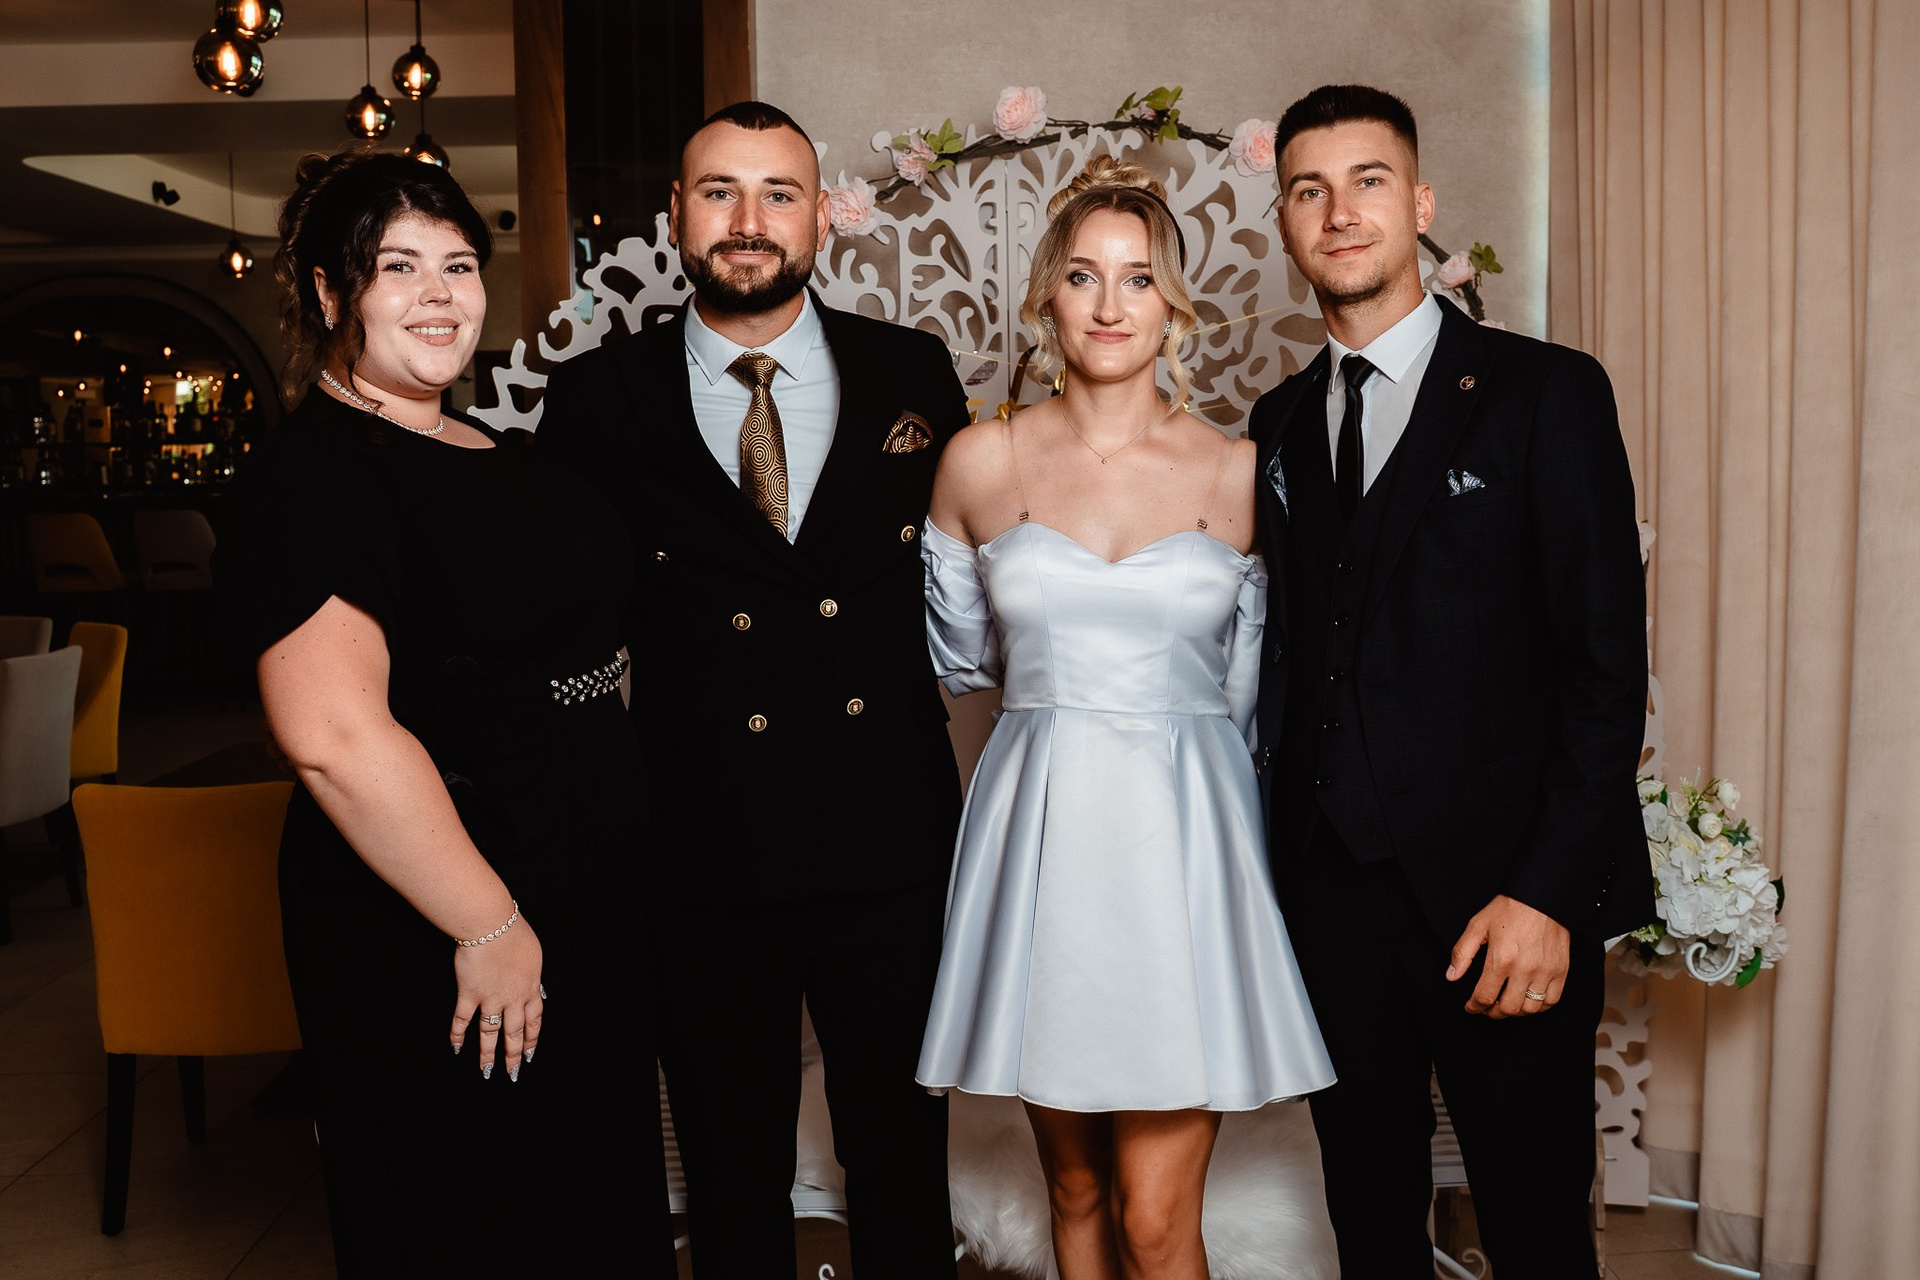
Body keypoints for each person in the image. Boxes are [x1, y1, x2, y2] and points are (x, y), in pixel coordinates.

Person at [221, 151, 673, 1277]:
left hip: (581, 900)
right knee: (475, 1219)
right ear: (330, 291)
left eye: (459, 265)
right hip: (444, 915)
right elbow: (333, 735)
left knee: (590, 1213)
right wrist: (487, 924)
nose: (439, 293)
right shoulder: (316, 475)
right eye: (398, 266)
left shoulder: (494, 448)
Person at [536, 102, 968, 1278]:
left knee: (901, 1159)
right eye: (719, 191)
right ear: (676, 213)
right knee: (732, 1174)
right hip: (699, 839)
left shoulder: (913, 371)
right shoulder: (595, 400)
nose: (748, 219)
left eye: (779, 193)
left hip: (889, 833)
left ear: (822, 217)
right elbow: (557, 625)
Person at [1250, 84, 1651, 1275]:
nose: (1340, 211)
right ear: (1286, 223)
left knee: (1535, 1230)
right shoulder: (1274, 423)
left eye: (1367, 181)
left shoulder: (1546, 392)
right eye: (1310, 190)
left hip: (1501, 903)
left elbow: (1605, 670)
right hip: (1330, 901)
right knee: (1369, 1225)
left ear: (1419, 204)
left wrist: (1546, 894)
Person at [915, 155, 1335, 1280]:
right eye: (1084, 276)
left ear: (1173, 304)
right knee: (1076, 1189)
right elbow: (962, 660)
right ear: (1048, 297)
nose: (1110, 304)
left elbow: (1252, 689)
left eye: (1139, 278)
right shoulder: (979, 461)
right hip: (1041, 837)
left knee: (1156, 1218)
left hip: (1183, 841)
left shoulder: (1241, 472)